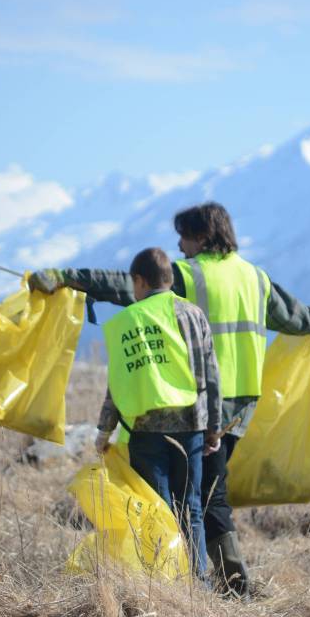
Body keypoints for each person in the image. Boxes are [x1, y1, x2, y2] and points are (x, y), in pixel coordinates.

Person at [29, 202, 310, 595]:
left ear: (204, 235)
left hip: (196, 403)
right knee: (208, 490)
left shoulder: (186, 275)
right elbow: (295, 318)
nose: (178, 244)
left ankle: (213, 581)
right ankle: (212, 579)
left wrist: (65, 278)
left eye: (185, 235)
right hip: (239, 403)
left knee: (200, 496)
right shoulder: (254, 277)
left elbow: (122, 284)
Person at [93, 246, 221, 580]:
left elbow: (117, 384)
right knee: (191, 506)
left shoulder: (129, 320)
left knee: (155, 508)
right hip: (192, 424)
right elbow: (211, 374)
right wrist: (215, 427)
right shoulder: (193, 314)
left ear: (139, 280)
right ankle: (198, 583)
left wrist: (104, 431)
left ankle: (165, 585)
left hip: (146, 430)